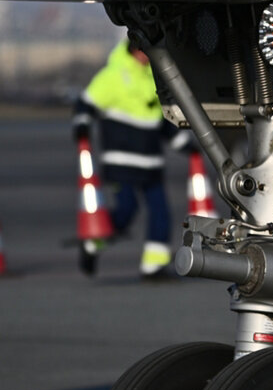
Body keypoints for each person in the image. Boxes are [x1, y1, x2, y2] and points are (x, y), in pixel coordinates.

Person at [72, 39, 194, 278]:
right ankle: (92, 243)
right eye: (143, 50)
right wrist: (82, 126)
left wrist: (186, 146)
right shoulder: (113, 76)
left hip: (151, 163)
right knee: (126, 211)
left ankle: (154, 266)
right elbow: (84, 105)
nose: (146, 55)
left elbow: (161, 121)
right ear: (133, 50)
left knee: (161, 213)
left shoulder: (153, 78)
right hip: (121, 162)